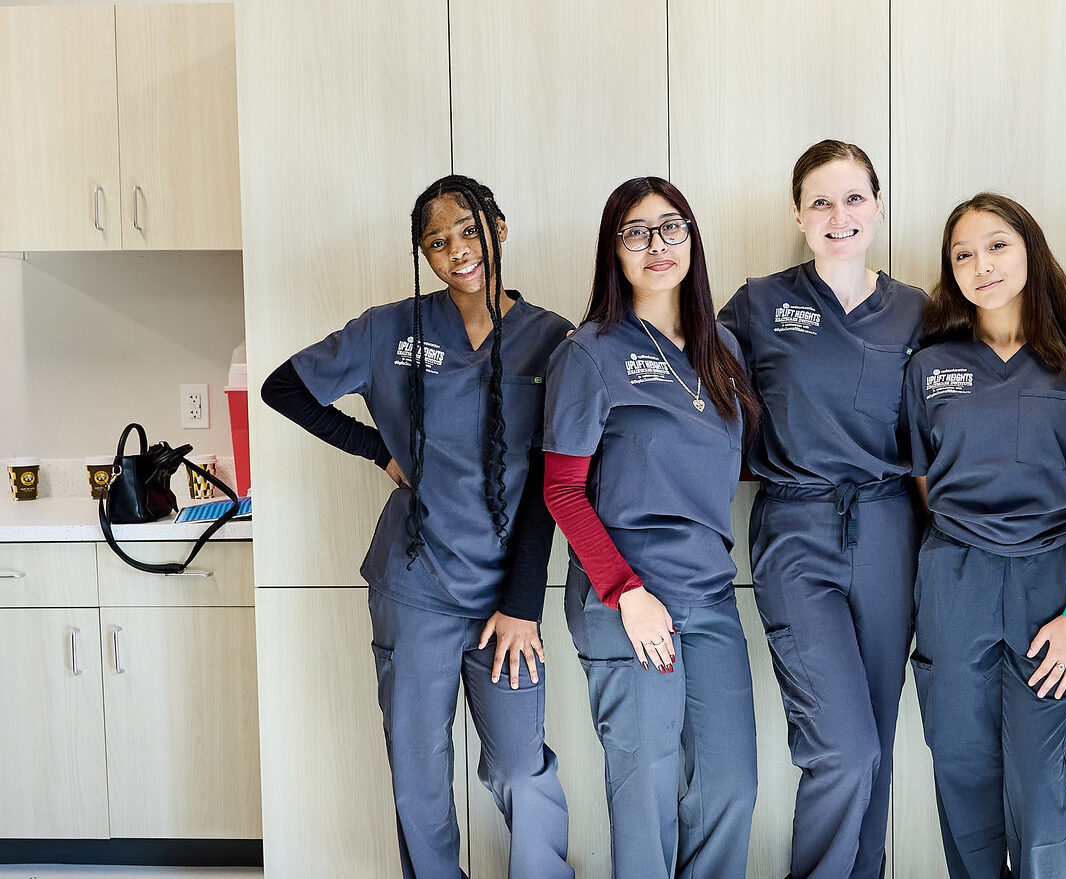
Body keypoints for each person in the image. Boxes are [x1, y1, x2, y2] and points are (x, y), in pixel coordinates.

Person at [260, 174, 574, 879]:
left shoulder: (555, 341)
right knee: (418, 776)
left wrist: (523, 603)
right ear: (425, 256)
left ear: (498, 227)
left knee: (522, 767)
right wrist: (379, 450)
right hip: (414, 584)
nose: (457, 250)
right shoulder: (389, 329)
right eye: (437, 242)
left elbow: (557, 481)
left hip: (505, 601)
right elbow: (282, 385)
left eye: (468, 229)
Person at [902, 193, 1066, 878]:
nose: (983, 264)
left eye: (998, 245)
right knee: (960, 767)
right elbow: (925, 483)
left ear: (1030, 250)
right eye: (964, 254)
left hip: (1049, 587)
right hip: (954, 581)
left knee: (1036, 781)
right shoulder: (929, 368)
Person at [541, 176, 761, 879]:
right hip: (628, 597)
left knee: (731, 785)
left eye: (672, 227)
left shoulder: (722, 346)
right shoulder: (591, 352)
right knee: (646, 796)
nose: (657, 245)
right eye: (636, 231)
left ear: (692, 239)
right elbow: (562, 490)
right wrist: (627, 592)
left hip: (711, 595)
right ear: (615, 250)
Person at [717, 139, 925, 879]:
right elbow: (693, 384)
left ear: (877, 203)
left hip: (889, 528)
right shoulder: (761, 301)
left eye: (855, 198)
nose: (840, 215)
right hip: (796, 528)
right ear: (798, 214)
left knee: (878, 736)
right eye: (822, 201)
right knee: (844, 746)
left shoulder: (915, 311)